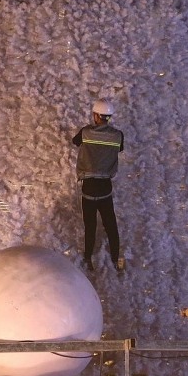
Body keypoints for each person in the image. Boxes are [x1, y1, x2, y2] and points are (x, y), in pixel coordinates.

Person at [72, 98, 124, 272]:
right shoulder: (118, 135)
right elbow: (120, 149)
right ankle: (115, 259)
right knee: (110, 224)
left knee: (90, 225)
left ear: (95, 115)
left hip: (88, 186)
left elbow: (75, 141)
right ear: (108, 117)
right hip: (105, 187)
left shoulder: (85, 133)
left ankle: (88, 257)